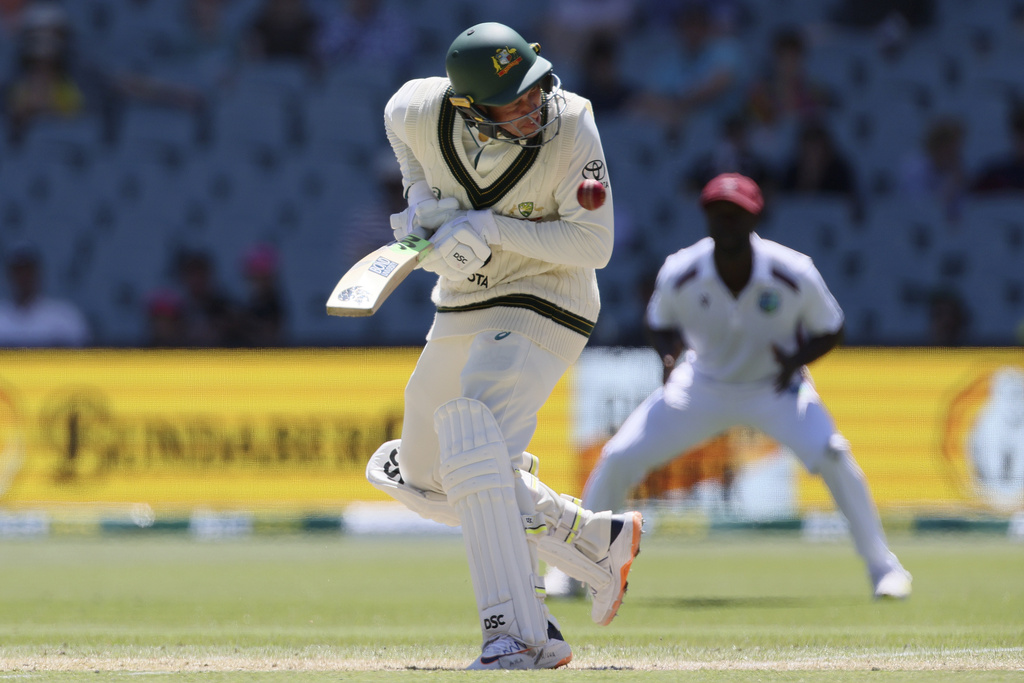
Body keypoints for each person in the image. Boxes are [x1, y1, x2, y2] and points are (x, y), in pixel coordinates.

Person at [362, 22, 643, 670]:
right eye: (512, 100)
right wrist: (421, 198)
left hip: (551, 295)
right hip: (466, 295)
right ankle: (595, 542)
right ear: (468, 108)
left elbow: (593, 243)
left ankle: (516, 635)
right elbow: (393, 123)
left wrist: (484, 226)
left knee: (473, 429)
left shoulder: (572, 125)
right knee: (420, 472)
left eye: (533, 88)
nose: (531, 106)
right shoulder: (419, 109)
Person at [580, 173, 913, 601]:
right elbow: (659, 322)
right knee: (619, 456)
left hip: (774, 389)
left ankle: (884, 568)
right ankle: (574, 571)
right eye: (719, 214)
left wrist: (794, 362)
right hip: (701, 384)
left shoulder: (792, 272)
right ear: (706, 218)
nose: (727, 224)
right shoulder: (682, 271)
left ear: (754, 218)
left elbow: (831, 329)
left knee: (834, 455)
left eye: (736, 215)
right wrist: (667, 356)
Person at [0, 242, 90, 347]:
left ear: (38, 273)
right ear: (9, 276)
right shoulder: (2, 316)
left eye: (28, 271)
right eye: (18, 272)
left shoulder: (65, 317)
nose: (23, 277)